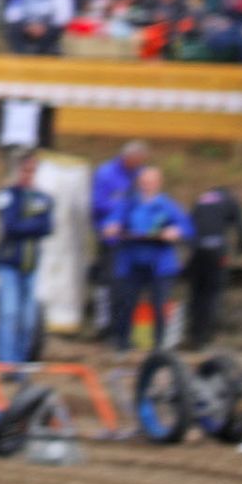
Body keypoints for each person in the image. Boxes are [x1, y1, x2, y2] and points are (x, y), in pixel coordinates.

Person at [102, 166, 190, 352]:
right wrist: (111, 227)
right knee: (126, 303)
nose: (146, 185)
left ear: (158, 183)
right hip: (132, 260)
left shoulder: (167, 205)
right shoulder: (129, 204)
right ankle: (122, 344)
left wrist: (175, 231)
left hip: (160, 263)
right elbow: (111, 223)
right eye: (143, 182)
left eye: (150, 182)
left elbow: (186, 227)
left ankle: (159, 347)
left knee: (159, 305)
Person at [0, 151, 54, 365]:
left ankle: (21, 365)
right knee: (9, 314)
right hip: (8, 263)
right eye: (25, 170)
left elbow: (47, 227)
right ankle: (6, 364)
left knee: (28, 320)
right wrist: (33, 225)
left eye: (32, 170)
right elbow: (9, 226)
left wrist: (26, 225)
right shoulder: (8, 194)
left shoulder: (43, 197)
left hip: (31, 264)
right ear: (18, 170)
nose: (28, 174)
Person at [90, 140, 147, 342]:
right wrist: (120, 210)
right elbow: (97, 204)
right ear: (126, 158)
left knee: (130, 286)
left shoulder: (140, 173)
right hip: (111, 239)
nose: (138, 164)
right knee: (110, 284)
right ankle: (107, 328)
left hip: (134, 239)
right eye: (135, 161)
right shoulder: (106, 173)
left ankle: (125, 331)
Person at [184, 185, 242, 350]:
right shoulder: (230, 201)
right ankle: (205, 338)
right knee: (212, 295)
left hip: (197, 253)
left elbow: (189, 225)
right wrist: (241, 249)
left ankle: (193, 335)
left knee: (196, 294)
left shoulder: (201, 199)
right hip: (216, 253)